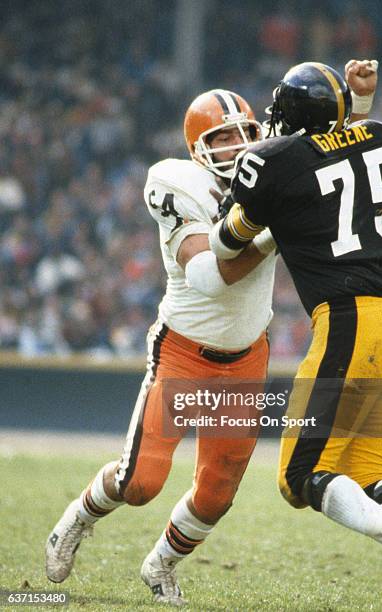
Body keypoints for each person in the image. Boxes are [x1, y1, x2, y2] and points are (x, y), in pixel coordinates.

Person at [45, 89, 278, 606]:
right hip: (184, 352)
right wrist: (273, 233)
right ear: (198, 147)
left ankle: (161, 564)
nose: (238, 146)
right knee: (140, 482)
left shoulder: (275, 169)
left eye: (246, 133)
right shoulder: (177, 182)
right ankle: (74, 520)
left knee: (216, 496)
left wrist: (359, 104)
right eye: (222, 137)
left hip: (248, 354)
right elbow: (210, 278)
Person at [209, 60, 382, 611]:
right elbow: (346, 148)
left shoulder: (271, 161)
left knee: (299, 477)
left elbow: (227, 245)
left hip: (353, 320)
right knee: (367, 470)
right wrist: (361, 103)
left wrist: (257, 213)